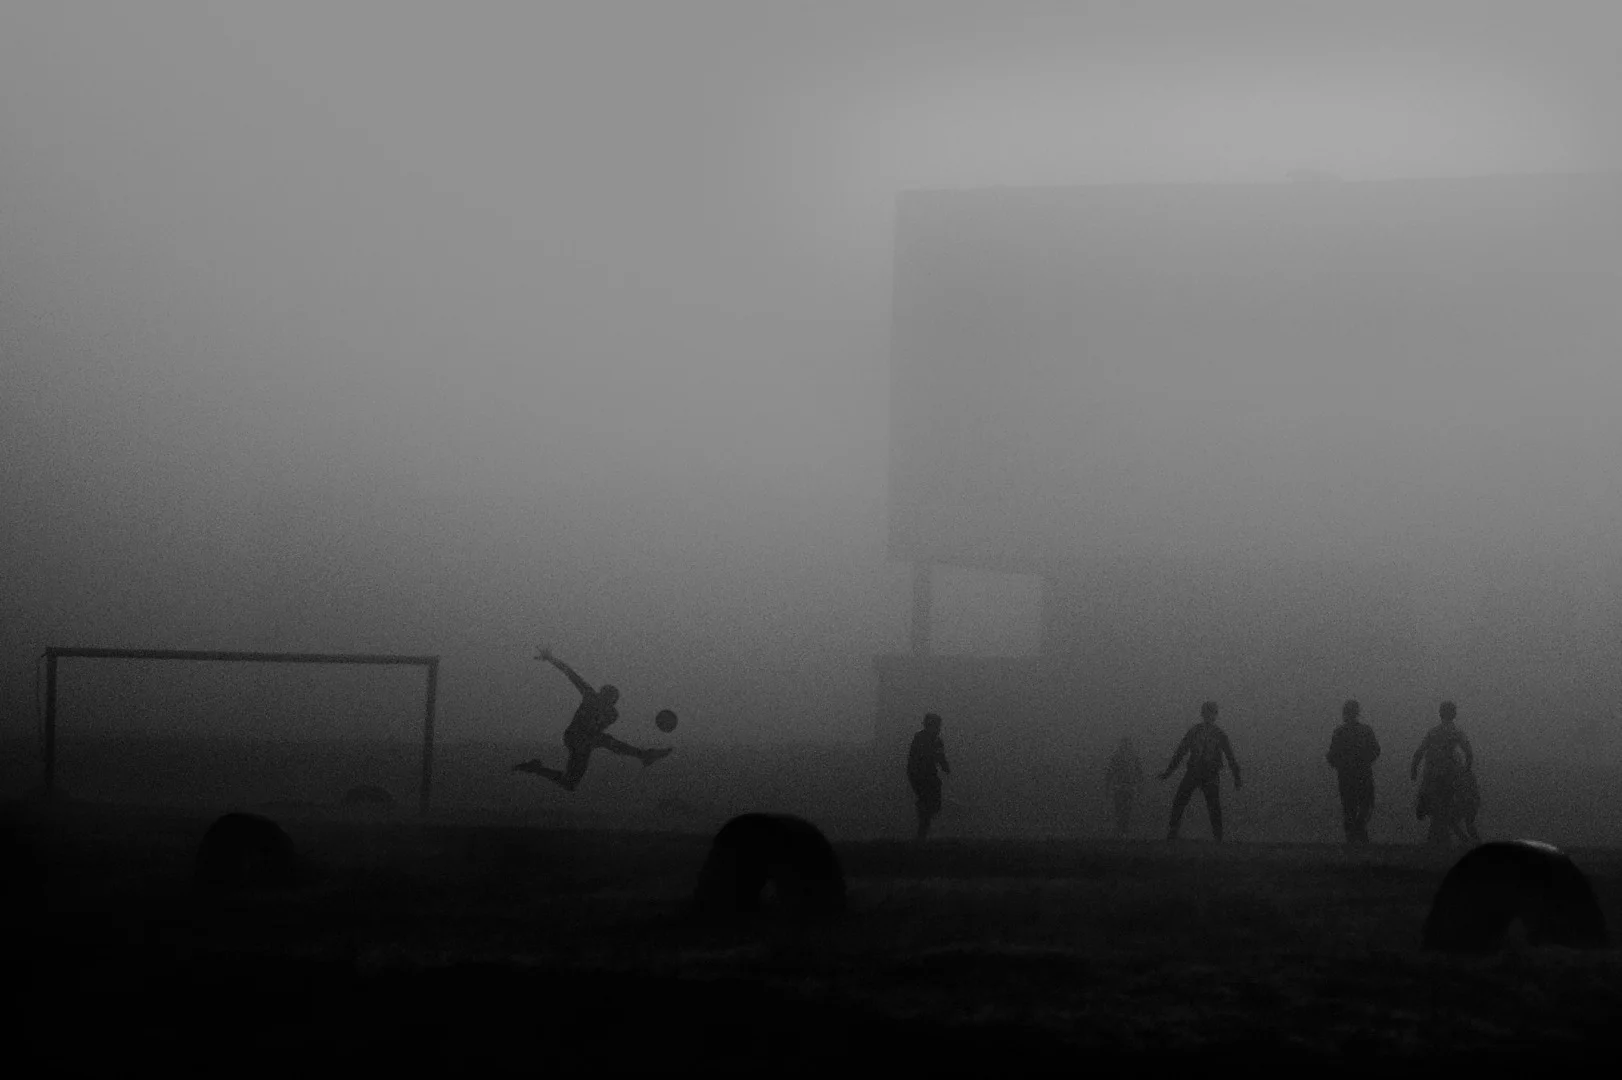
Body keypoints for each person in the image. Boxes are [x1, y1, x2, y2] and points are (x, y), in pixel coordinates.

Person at [514, 647, 672, 791]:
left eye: (610, 698)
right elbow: (570, 674)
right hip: (575, 737)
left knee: (570, 783)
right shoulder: (592, 697)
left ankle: (536, 768)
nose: (605, 700)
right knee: (604, 740)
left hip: (585, 742)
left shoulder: (611, 714)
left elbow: (571, 674)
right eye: (605, 696)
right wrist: (551, 659)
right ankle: (644, 755)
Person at [1161, 701, 1242, 842]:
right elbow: (1181, 751)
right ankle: (1174, 831)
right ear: (1204, 714)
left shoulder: (1216, 734)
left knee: (1212, 805)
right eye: (1207, 713)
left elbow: (1230, 756)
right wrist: (1169, 771)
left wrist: (1236, 776)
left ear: (1214, 715)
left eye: (1211, 713)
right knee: (1181, 800)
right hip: (1195, 771)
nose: (1209, 716)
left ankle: (1217, 837)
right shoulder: (1198, 731)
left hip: (1208, 773)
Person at [1410, 700, 1474, 847]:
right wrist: (1466, 770)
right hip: (1448, 776)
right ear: (1454, 714)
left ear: (1440, 714)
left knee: (1435, 809)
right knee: (1443, 807)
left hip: (1432, 776)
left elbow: (1420, 752)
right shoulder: (1456, 732)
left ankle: (1436, 841)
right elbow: (1469, 753)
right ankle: (1441, 841)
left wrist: (1413, 768)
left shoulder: (1433, 732)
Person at [1326, 699, 1381, 844]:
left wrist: (1340, 764)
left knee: (1349, 806)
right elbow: (1376, 750)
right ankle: (1359, 830)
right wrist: (1364, 761)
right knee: (1365, 804)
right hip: (1363, 774)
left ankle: (1353, 834)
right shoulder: (1366, 731)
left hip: (1346, 776)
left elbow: (1331, 755)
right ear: (1357, 712)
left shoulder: (1339, 732)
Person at [907, 713, 951, 842]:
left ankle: (923, 825)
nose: (938, 729)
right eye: (936, 726)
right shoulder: (921, 738)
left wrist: (945, 766)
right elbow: (920, 758)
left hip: (927, 775)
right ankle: (923, 830)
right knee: (927, 801)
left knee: (932, 803)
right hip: (919, 775)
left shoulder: (935, 740)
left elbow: (940, 756)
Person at [1104, 736, 1144, 838]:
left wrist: (1107, 785)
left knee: (1122, 808)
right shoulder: (1132, 756)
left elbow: (1110, 772)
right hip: (1125, 786)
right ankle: (1123, 831)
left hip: (1123, 786)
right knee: (1124, 808)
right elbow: (1139, 772)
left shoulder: (1118, 756)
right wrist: (1139, 784)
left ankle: (1122, 831)